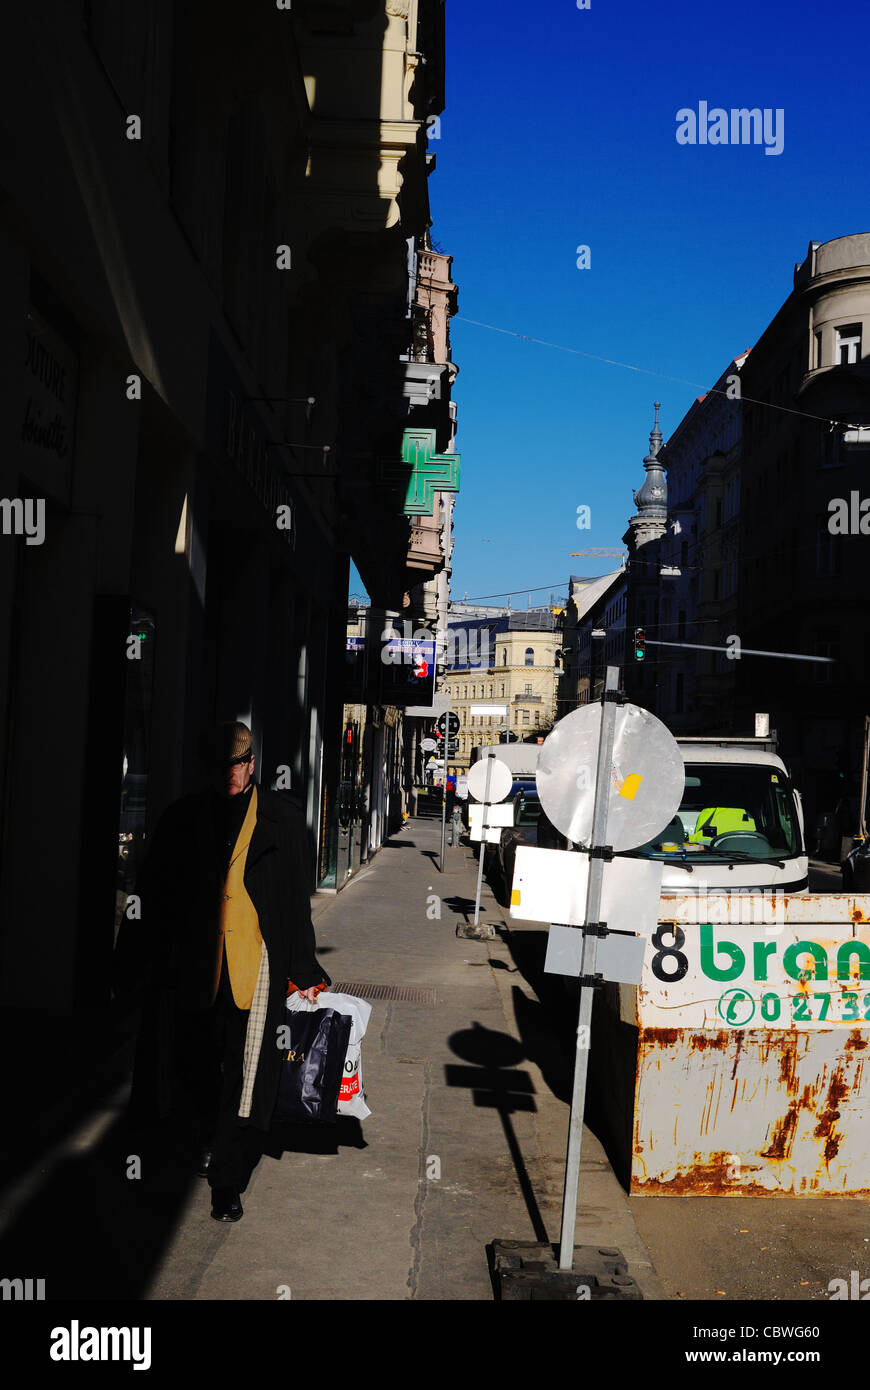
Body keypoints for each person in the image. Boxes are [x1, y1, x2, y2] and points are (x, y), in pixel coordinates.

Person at [131, 721, 328, 1222]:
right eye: (223, 766)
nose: (232, 775)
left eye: (239, 764)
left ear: (253, 763)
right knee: (195, 1063)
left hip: (251, 970)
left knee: (243, 1075)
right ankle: (202, 1138)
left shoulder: (280, 821)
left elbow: (293, 905)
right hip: (195, 969)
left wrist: (304, 970)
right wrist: (133, 954)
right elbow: (155, 895)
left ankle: (227, 1179)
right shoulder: (184, 819)